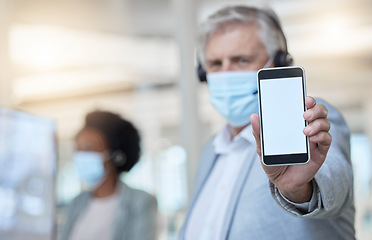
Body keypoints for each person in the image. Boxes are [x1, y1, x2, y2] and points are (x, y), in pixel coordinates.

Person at [180, 5, 355, 240]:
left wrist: (299, 189)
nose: (226, 73)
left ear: (279, 63)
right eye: (215, 64)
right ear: (203, 73)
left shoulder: (307, 118)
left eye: (241, 60)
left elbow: (336, 183)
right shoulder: (210, 150)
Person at [60, 111, 157, 240]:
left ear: (114, 155)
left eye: (89, 149)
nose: (81, 156)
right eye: (78, 150)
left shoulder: (140, 201)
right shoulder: (76, 202)